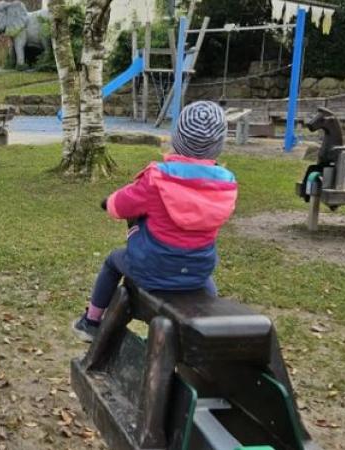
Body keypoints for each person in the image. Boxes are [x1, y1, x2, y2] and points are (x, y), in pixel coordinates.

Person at [73, 101, 239, 342]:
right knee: (205, 283)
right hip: (197, 270)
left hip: (152, 267)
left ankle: (91, 322)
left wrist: (108, 202)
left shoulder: (157, 179)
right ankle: (208, 327)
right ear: (219, 145)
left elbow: (120, 206)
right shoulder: (226, 184)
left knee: (112, 263)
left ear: (177, 138)